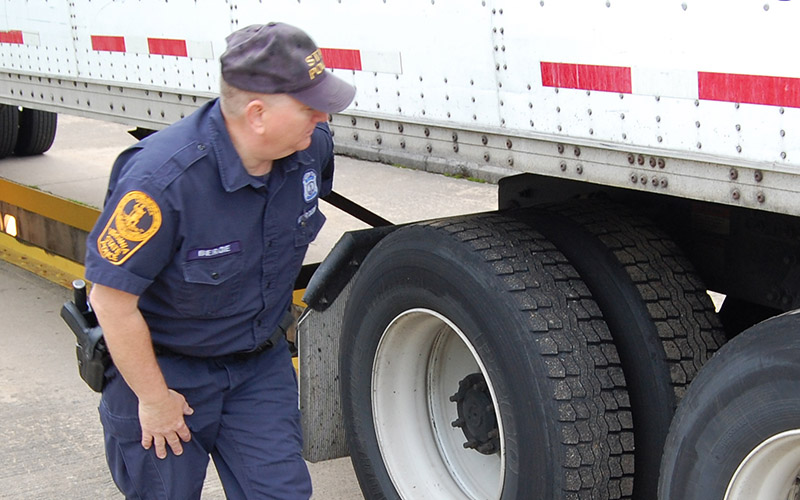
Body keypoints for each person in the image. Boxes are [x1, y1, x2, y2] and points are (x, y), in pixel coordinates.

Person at [84, 22, 355, 499]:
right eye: (310, 107)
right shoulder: (160, 182)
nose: (323, 116)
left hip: (257, 369)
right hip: (167, 374)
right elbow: (109, 299)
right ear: (257, 113)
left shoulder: (312, 150)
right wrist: (153, 398)